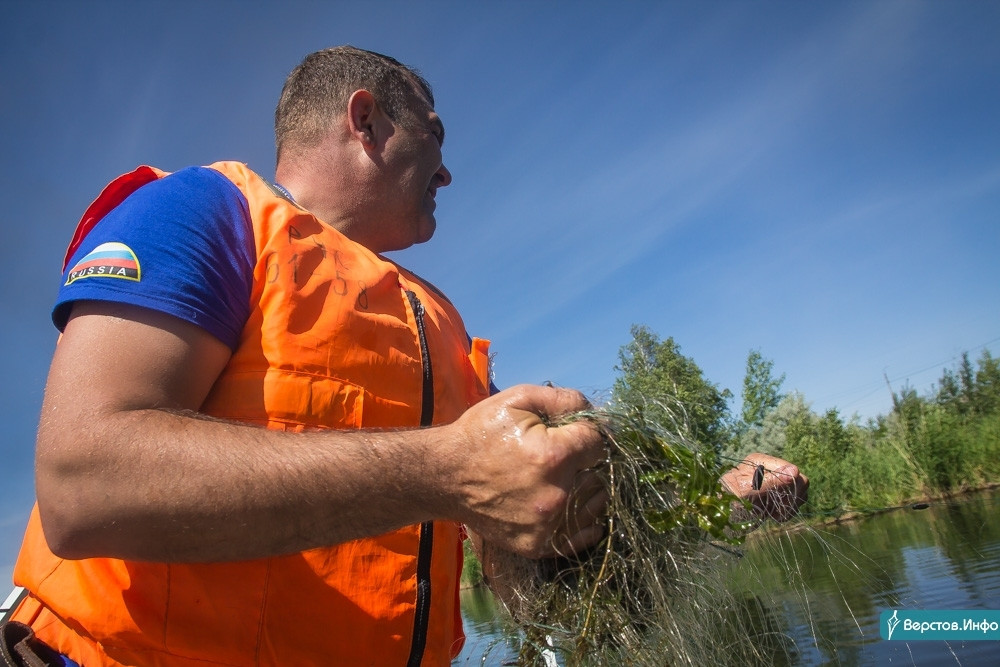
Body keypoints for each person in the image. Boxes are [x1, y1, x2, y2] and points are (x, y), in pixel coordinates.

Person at [4, 46, 807, 666]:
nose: (450, 169)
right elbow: (82, 483)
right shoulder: (207, 211)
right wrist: (446, 472)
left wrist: (713, 499)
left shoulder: (443, 324)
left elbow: (519, 573)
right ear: (367, 120)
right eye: (436, 132)